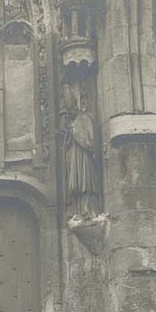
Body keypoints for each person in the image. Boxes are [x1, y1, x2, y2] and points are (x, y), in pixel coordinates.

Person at [62, 88, 100, 218]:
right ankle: (77, 210)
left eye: (70, 109)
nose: (69, 112)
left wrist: (75, 132)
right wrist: (68, 133)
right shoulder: (71, 122)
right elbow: (67, 143)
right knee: (76, 183)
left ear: (75, 106)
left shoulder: (84, 119)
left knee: (85, 183)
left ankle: (87, 209)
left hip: (83, 157)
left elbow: (89, 139)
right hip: (74, 157)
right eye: (67, 110)